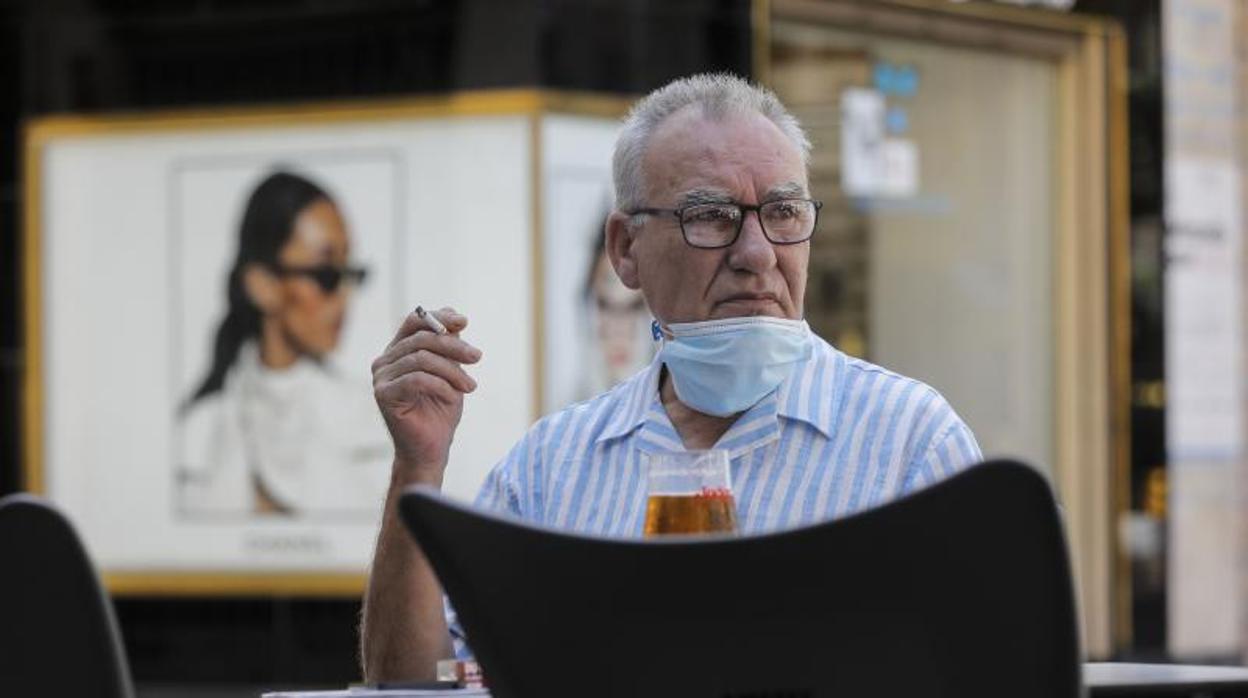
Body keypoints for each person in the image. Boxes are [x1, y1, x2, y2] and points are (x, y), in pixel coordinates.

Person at [361, 74, 982, 680]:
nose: (759, 253)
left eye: (785, 212)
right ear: (625, 249)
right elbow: (417, 684)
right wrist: (418, 466)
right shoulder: (553, 468)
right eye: (712, 216)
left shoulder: (909, 443)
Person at [178, 170, 391, 516]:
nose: (344, 297)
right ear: (262, 284)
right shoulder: (199, 427)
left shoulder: (374, 419)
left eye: (351, 274)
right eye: (327, 276)